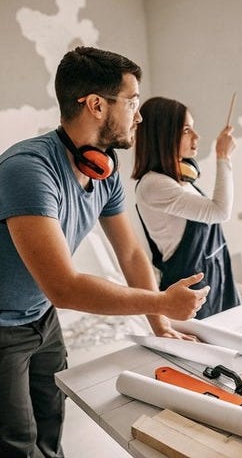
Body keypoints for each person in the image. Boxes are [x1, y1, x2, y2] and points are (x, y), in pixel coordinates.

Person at [0, 47, 209, 458]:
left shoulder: (104, 169)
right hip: (3, 326)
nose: (139, 115)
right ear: (96, 105)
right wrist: (162, 299)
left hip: (41, 317)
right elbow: (65, 287)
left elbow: (130, 253)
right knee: (15, 440)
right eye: (131, 101)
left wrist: (159, 319)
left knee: (50, 420)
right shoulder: (28, 170)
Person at [132, 96, 242, 319]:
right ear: (163, 134)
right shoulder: (154, 185)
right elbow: (219, 211)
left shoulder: (180, 180)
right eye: (186, 130)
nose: (196, 136)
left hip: (217, 275)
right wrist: (223, 157)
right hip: (189, 287)